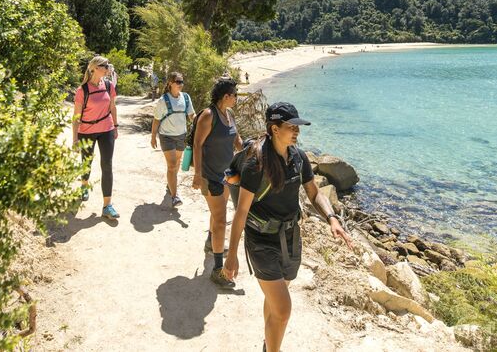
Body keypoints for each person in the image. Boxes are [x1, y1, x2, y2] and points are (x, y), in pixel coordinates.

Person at [224, 102, 353, 352]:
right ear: (274, 129)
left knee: (275, 304)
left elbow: (314, 193)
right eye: (291, 126)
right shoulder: (256, 163)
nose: (297, 131)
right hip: (261, 241)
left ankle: (268, 342)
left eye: (298, 127)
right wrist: (231, 256)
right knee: (283, 309)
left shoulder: (298, 157)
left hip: (291, 238)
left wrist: (332, 218)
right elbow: (241, 211)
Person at [192, 77, 242, 288]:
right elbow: (197, 144)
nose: (237, 99)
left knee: (217, 216)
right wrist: (197, 175)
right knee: (221, 219)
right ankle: (218, 269)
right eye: (235, 95)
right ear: (226, 96)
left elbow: (238, 143)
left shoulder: (229, 115)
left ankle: (211, 242)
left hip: (227, 176)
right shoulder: (208, 115)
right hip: (210, 176)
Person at [73, 55, 120, 219]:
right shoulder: (82, 90)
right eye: (105, 66)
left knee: (107, 165)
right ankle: (84, 186)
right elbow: (76, 117)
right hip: (86, 131)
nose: (108, 68)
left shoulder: (108, 85)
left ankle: (107, 206)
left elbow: (112, 107)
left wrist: (115, 126)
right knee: (86, 163)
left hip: (106, 128)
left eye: (108, 66)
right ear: (95, 68)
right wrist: (75, 139)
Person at [151, 72, 195, 207]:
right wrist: (153, 137)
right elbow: (156, 120)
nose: (180, 84)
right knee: (171, 165)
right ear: (170, 83)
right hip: (167, 137)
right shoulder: (163, 100)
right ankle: (175, 196)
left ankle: (170, 184)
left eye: (182, 81)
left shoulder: (186, 98)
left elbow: (192, 116)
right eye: (178, 81)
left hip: (181, 136)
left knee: (176, 164)